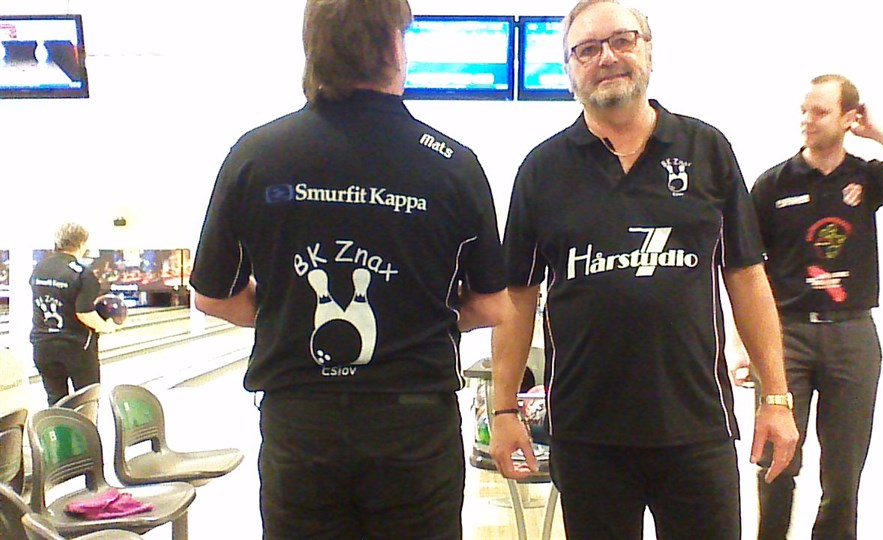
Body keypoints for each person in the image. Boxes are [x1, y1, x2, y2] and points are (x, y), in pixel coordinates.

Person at [189, 1, 508, 538]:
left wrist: (286, 313)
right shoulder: (452, 164)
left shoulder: (256, 155)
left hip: (301, 422)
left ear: (312, 48)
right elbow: (493, 305)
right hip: (413, 424)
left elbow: (212, 295)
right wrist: (418, 317)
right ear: (394, 47)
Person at [488, 1, 799, 538]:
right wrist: (503, 410)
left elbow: (747, 277)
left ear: (648, 50)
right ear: (569, 69)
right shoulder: (542, 170)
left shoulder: (707, 150)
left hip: (696, 427)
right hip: (587, 435)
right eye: (587, 49)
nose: (607, 57)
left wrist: (775, 397)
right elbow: (518, 296)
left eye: (622, 40)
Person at [751, 74, 883, 540]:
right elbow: (747, 273)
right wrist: (744, 347)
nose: (807, 120)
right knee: (776, 463)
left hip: (852, 334)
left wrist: (877, 133)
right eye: (804, 110)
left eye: (820, 112)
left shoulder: (865, 176)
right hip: (787, 334)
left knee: (843, 473)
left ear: (848, 118)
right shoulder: (773, 184)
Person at [30, 222, 115, 405]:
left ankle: (58, 424)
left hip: (43, 346)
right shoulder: (83, 274)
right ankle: (84, 425)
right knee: (87, 402)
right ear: (82, 244)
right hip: (76, 348)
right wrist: (106, 327)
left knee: (56, 400)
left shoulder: (39, 268)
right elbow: (84, 313)